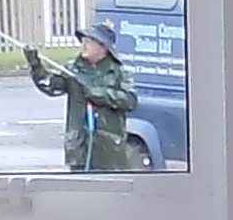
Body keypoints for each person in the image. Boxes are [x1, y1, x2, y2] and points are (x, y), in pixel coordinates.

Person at [24, 21, 146, 173]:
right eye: (83, 41)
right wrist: (35, 64)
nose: (83, 45)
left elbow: (130, 100)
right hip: (79, 149)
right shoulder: (73, 70)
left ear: (102, 47)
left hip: (109, 151)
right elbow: (50, 85)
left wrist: (98, 94)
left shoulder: (119, 72)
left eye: (88, 42)